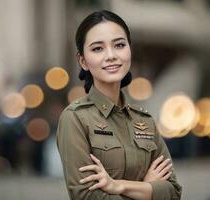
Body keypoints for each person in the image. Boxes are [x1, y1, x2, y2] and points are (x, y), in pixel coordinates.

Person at [56, 10, 182, 200]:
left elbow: (173, 192)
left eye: (120, 45)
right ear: (83, 61)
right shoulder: (75, 118)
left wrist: (118, 186)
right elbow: (85, 196)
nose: (111, 56)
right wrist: (146, 188)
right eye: (98, 48)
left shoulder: (145, 121)